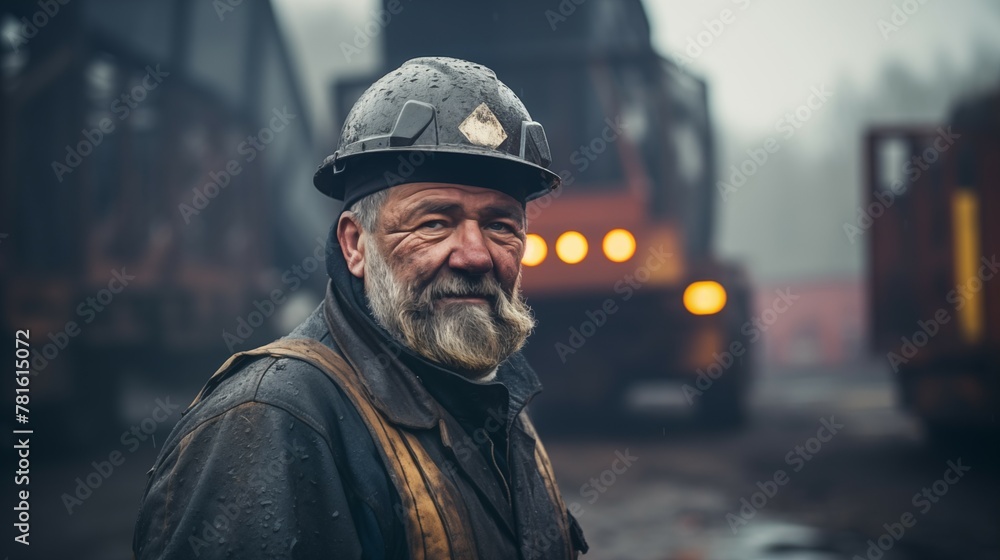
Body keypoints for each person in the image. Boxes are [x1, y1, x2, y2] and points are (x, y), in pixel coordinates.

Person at [132, 56, 589, 559]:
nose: (476, 254)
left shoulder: (497, 398)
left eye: (501, 225)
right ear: (355, 244)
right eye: (435, 222)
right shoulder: (274, 420)